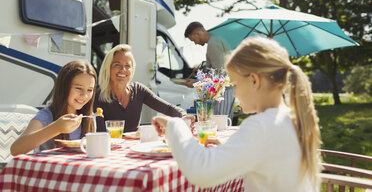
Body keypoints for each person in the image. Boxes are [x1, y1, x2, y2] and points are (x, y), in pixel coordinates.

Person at [152, 36, 322, 191]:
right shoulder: (291, 118)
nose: (234, 94)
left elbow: (201, 171)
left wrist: (176, 124)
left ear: (254, 80)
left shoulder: (260, 127)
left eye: (235, 84)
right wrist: (228, 150)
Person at [94, 44, 193, 133]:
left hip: (134, 148)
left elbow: (167, 108)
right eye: (117, 65)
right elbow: (100, 133)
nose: (123, 70)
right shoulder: (98, 93)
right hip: (109, 149)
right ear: (108, 68)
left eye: (127, 66)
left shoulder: (138, 90)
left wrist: (183, 116)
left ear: (132, 70)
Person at [11, 60, 97, 155]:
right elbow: (16, 150)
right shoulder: (46, 116)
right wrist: (56, 128)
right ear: (64, 87)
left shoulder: (89, 117)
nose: (84, 95)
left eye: (90, 90)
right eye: (78, 88)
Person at [184, 21, 234, 119]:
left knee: (219, 124)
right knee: (225, 123)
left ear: (198, 33)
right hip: (227, 90)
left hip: (222, 92)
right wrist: (201, 72)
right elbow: (219, 66)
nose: (195, 43)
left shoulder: (213, 44)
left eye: (193, 40)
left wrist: (196, 82)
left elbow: (219, 75)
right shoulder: (217, 39)